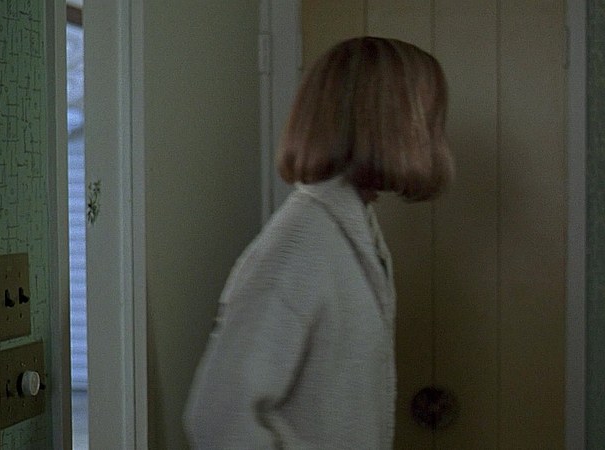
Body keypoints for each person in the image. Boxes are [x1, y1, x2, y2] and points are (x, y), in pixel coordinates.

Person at [183, 36, 452, 449]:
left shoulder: (352, 228)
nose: (433, 133)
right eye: (427, 117)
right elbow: (219, 417)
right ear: (389, 123)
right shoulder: (303, 242)